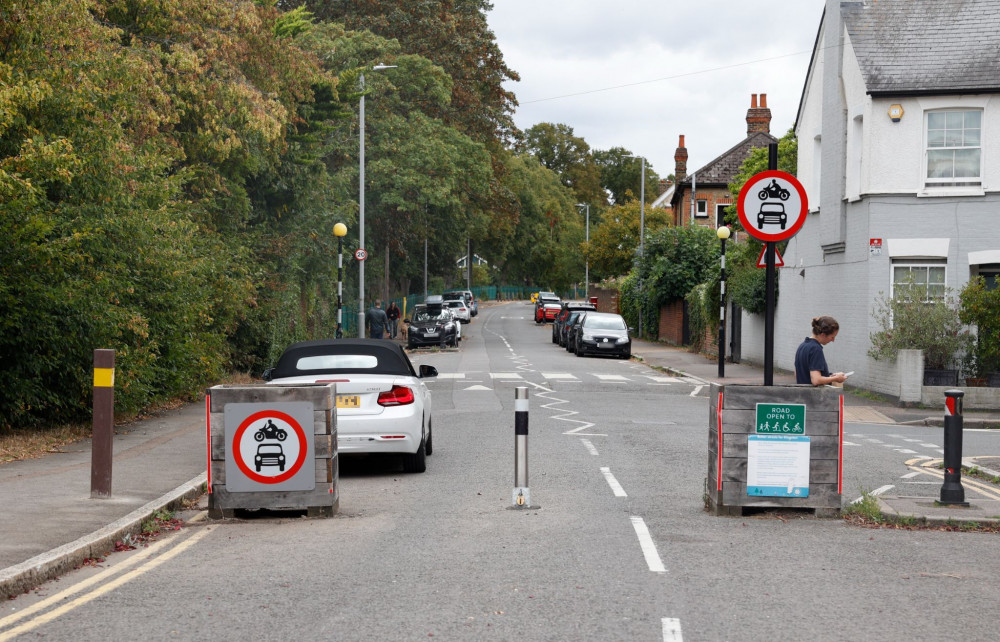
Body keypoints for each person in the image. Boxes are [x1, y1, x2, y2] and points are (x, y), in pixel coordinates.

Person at [794, 316, 849, 386]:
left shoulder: (802, 346)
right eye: (832, 337)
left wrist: (830, 376)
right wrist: (835, 378)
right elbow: (816, 380)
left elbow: (797, 374)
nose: (833, 340)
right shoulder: (815, 349)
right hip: (814, 395)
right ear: (823, 335)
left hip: (802, 394)